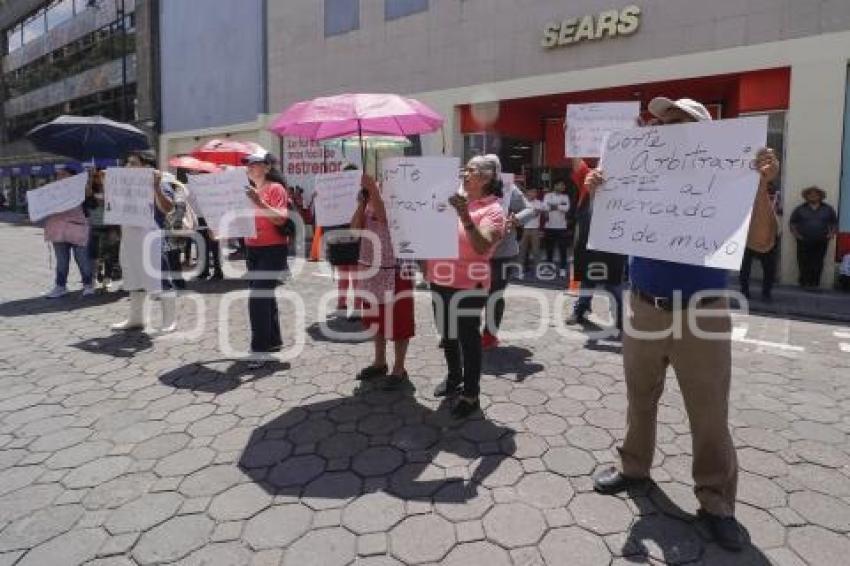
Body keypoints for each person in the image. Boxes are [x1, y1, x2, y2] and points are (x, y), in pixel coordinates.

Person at [586, 96, 780, 552]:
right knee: (640, 396)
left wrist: (759, 183)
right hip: (644, 305)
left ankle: (716, 502)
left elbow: (764, 243)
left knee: (709, 411)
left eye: (679, 122)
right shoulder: (640, 169)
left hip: (703, 311)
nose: (667, 128)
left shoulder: (731, 178)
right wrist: (600, 187)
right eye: (662, 121)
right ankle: (634, 467)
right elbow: (611, 227)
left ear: (705, 133)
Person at [427, 155, 506, 419]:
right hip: (439, 279)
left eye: (470, 170)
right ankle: (454, 379)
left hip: (468, 284)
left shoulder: (493, 210)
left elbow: (482, 245)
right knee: (447, 334)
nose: (464, 173)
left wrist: (464, 215)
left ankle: (471, 394)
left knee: (468, 339)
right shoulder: (452, 197)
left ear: (485, 177)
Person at [351, 173, 415, 389]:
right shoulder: (371, 195)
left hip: (396, 267)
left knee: (398, 319)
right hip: (371, 267)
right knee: (375, 318)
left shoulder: (404, 196)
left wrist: (374, 191)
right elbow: (354, 230)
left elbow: (386, 218)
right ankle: (380, 361)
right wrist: (362, 202)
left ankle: (399, 368)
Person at [112, 150, 179, 333]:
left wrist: (156, 187)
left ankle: (169, 320)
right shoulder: (124, 184)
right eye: (127, 162)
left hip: (151, 239)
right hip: (129, 237)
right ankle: (136, 319)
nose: (128, 166)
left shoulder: (161, 181)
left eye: (133, 163)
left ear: (147, 166)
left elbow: (167, 208)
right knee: (133, 277)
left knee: (160, 277)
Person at [243, 150, 290, 368]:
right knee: (265, 297)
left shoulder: (275, 188)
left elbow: (280, 219)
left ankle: (259, 350)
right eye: (248, 164)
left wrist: (259, 201)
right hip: (252, 250)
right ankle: (273, 340)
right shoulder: (244, 191)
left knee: (257, 298)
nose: (250, 167)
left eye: (255, 163)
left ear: (267, 167)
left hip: (273, 249)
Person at [482, 159, 534, 350]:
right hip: (474, 252)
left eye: (489, 168)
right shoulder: (467, 186)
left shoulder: (509, 188)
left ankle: (489, 333)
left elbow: (531, 210)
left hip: (502, 252)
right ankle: (461, 332)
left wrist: (516, 219)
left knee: (494, 294)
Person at [42, 164, 95, 298]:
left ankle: (88, 285)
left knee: (82, 259)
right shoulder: (51, 190)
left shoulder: (79, 188)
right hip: (57, 229)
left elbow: (88, 193)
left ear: (73, 176)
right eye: (59, 174)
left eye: (64, 174)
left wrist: (90, 177)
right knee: (61, 261)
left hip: (77, 228)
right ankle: (60, 286)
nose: (60, 176)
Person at [739, 176, 780, 300]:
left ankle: (766, 293)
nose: (767, 187)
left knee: (769, 269)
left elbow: (779, 214)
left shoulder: (776, 198)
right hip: (747, 238)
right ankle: (744, 291)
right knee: (745, 268)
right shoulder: (748, 198)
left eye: (769, 184)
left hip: (769, 238)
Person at [790, 186, 837, 288]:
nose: (813, 196)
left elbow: (834, 222)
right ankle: (804, 282)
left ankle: (814, 283)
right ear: (806, 197)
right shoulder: (800, 209)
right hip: (803, 240)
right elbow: (793, 222)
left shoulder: (828, 209)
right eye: (810, 194)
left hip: (821, 241)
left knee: (818, 262)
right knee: (803, 262)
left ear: (820, 197)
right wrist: (797, 235)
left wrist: (831, 234)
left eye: (815, 194)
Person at [542, 180, 571, 276]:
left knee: (563, 249)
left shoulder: (565, 197)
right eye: (561, 184)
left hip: (562, 227)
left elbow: (566, 208)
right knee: (549, 249)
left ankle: (563, 268)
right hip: (549, 226)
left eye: (564, 185)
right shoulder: (547, 195)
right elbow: (545, 207)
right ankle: (549, 268)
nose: (563, 187)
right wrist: (560, 206)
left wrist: (553, 206)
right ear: (555, 185)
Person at [518, 187, 545, 271]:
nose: (533, 194)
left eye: (535, 192)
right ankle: (520, 268)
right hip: (524, 229)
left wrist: (527, 213)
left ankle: (537, 268)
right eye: (531, 192)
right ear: (527, 193)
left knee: (536, 250)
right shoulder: (523, 203)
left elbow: (536, 213)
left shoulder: (539, 202)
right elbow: (520, 216)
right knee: (522, 250)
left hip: (535, 229)